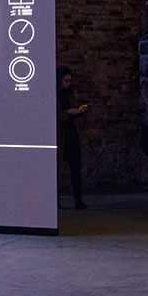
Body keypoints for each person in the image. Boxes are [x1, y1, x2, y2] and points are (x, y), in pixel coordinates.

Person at [56, 67, 89, 210]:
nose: (68, 84)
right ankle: (55, 200)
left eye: (70, 81)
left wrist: (79, 111)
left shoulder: (69, 93)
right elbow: (54, 115)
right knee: (56, 168)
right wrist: (68, 113)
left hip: (70, 131)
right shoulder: (54, 95)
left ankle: (78, 199)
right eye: (66, 81)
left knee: (75, 165)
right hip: (59, 133)